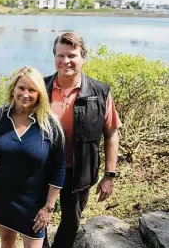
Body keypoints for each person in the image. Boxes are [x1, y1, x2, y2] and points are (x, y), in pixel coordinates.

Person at [43, 32, 121, 248]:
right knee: (36, 217)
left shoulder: (100, 92)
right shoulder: (40, 88)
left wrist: (109, 175)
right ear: (54, 56)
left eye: (72, 55)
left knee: (70, 221)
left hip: (79, 171)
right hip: (42, 169)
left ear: (83, 58)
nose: (65, 61)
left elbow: (112, 133)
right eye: (60, 55)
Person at [0, 67, 66, 248]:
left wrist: (48, 208)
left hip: (34, 204)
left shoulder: (51, 125)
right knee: (6, 242)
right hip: (3, 198)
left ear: (40, 94)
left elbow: (59, 169)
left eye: (32, 90)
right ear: (13, 88)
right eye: (21, 88)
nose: (25, 94)